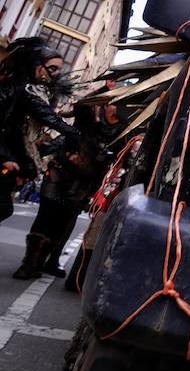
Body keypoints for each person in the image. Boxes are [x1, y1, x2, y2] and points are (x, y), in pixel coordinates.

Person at [13, 102, 116, 280]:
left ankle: (41, 263)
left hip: (82, 184)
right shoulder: (85, 123)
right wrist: (102, 97)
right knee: (45, 218)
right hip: (60, 175)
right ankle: (29, 264)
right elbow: (82, 107)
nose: (110, 106)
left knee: (59, 226)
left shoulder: (113, 131)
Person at [0, 38, 80, 228]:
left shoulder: (21, 87)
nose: (57, 75)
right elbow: (48, 117)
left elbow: (26, 140)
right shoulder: (25, 90)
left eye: (59, 70)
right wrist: (73, 133)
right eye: (52, 69)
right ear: (37, 66)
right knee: (3, 207)